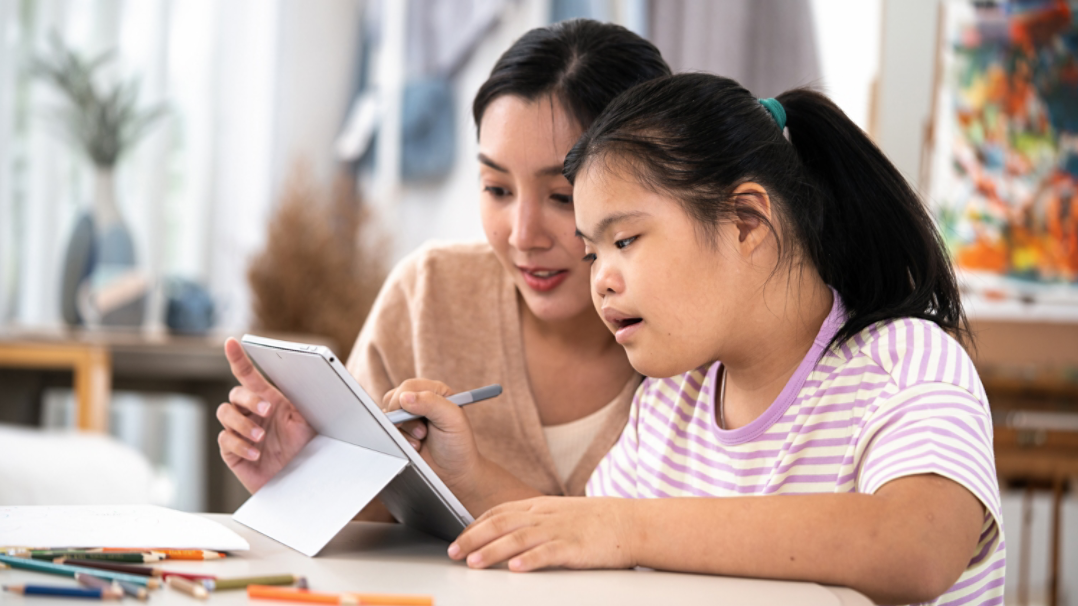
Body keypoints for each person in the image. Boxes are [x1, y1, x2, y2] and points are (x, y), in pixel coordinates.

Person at [389, 74, 1005, 605]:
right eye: (591, 251)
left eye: (624, 240)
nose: (599, 279)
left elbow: (917, 545)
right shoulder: (669, 403)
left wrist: (628, 528)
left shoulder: (905, 363)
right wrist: (461, 474)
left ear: (745, 221)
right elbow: (583, 532)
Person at [215, 19, 672, 512]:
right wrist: (302, 475)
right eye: (497, 189)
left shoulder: (702, 340)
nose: (522, 235)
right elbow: (374, 524)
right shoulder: (428, 294)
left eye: (562, 197)